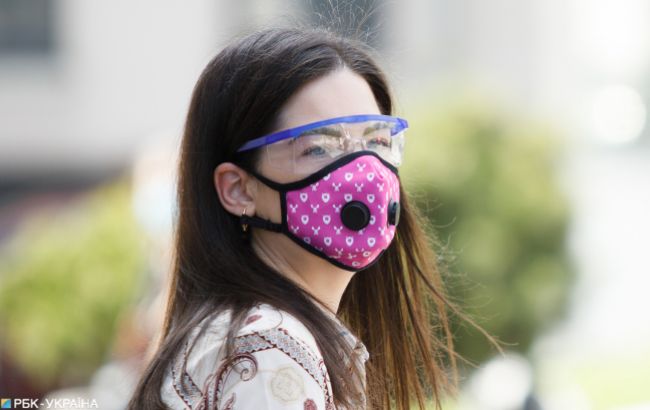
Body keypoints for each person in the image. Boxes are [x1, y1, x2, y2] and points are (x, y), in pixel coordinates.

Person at [128, 26, 463, 410]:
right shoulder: (270, 354)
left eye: (377, 141)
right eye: (318, 147)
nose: (364, 173)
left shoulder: (251, 337)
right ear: (239, 189)